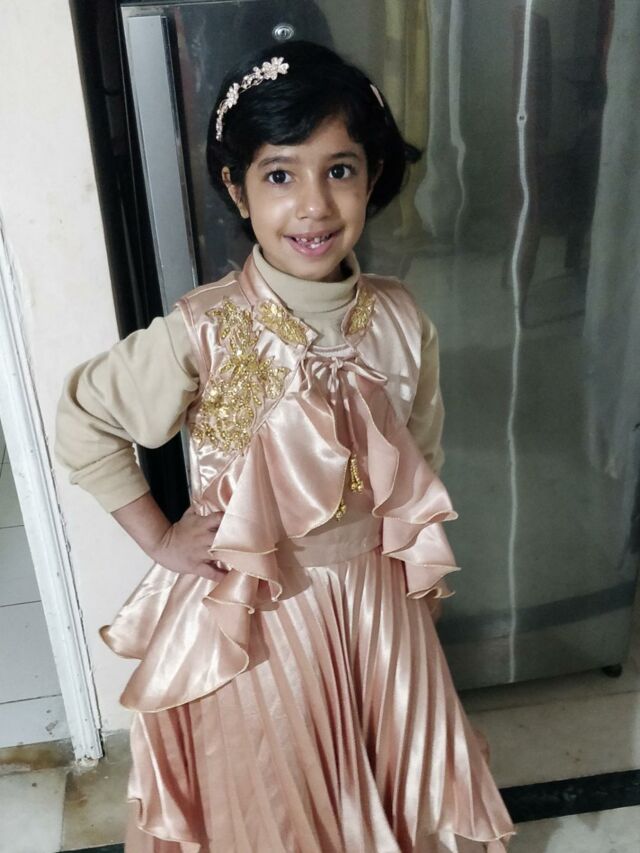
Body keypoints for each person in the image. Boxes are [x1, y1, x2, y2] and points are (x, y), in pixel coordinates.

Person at [56, 40, 515, 853]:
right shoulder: (205, 329)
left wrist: (414, 580)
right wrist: (160, 538)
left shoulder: (403, 318)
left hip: (376, 606)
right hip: (261, 619)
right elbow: (84, 418)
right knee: (276, 789)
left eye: (339, 170)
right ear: (237, 187)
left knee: (389, 766)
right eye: (279, 174)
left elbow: (422, 456)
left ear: (373, 176)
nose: (313, 205)